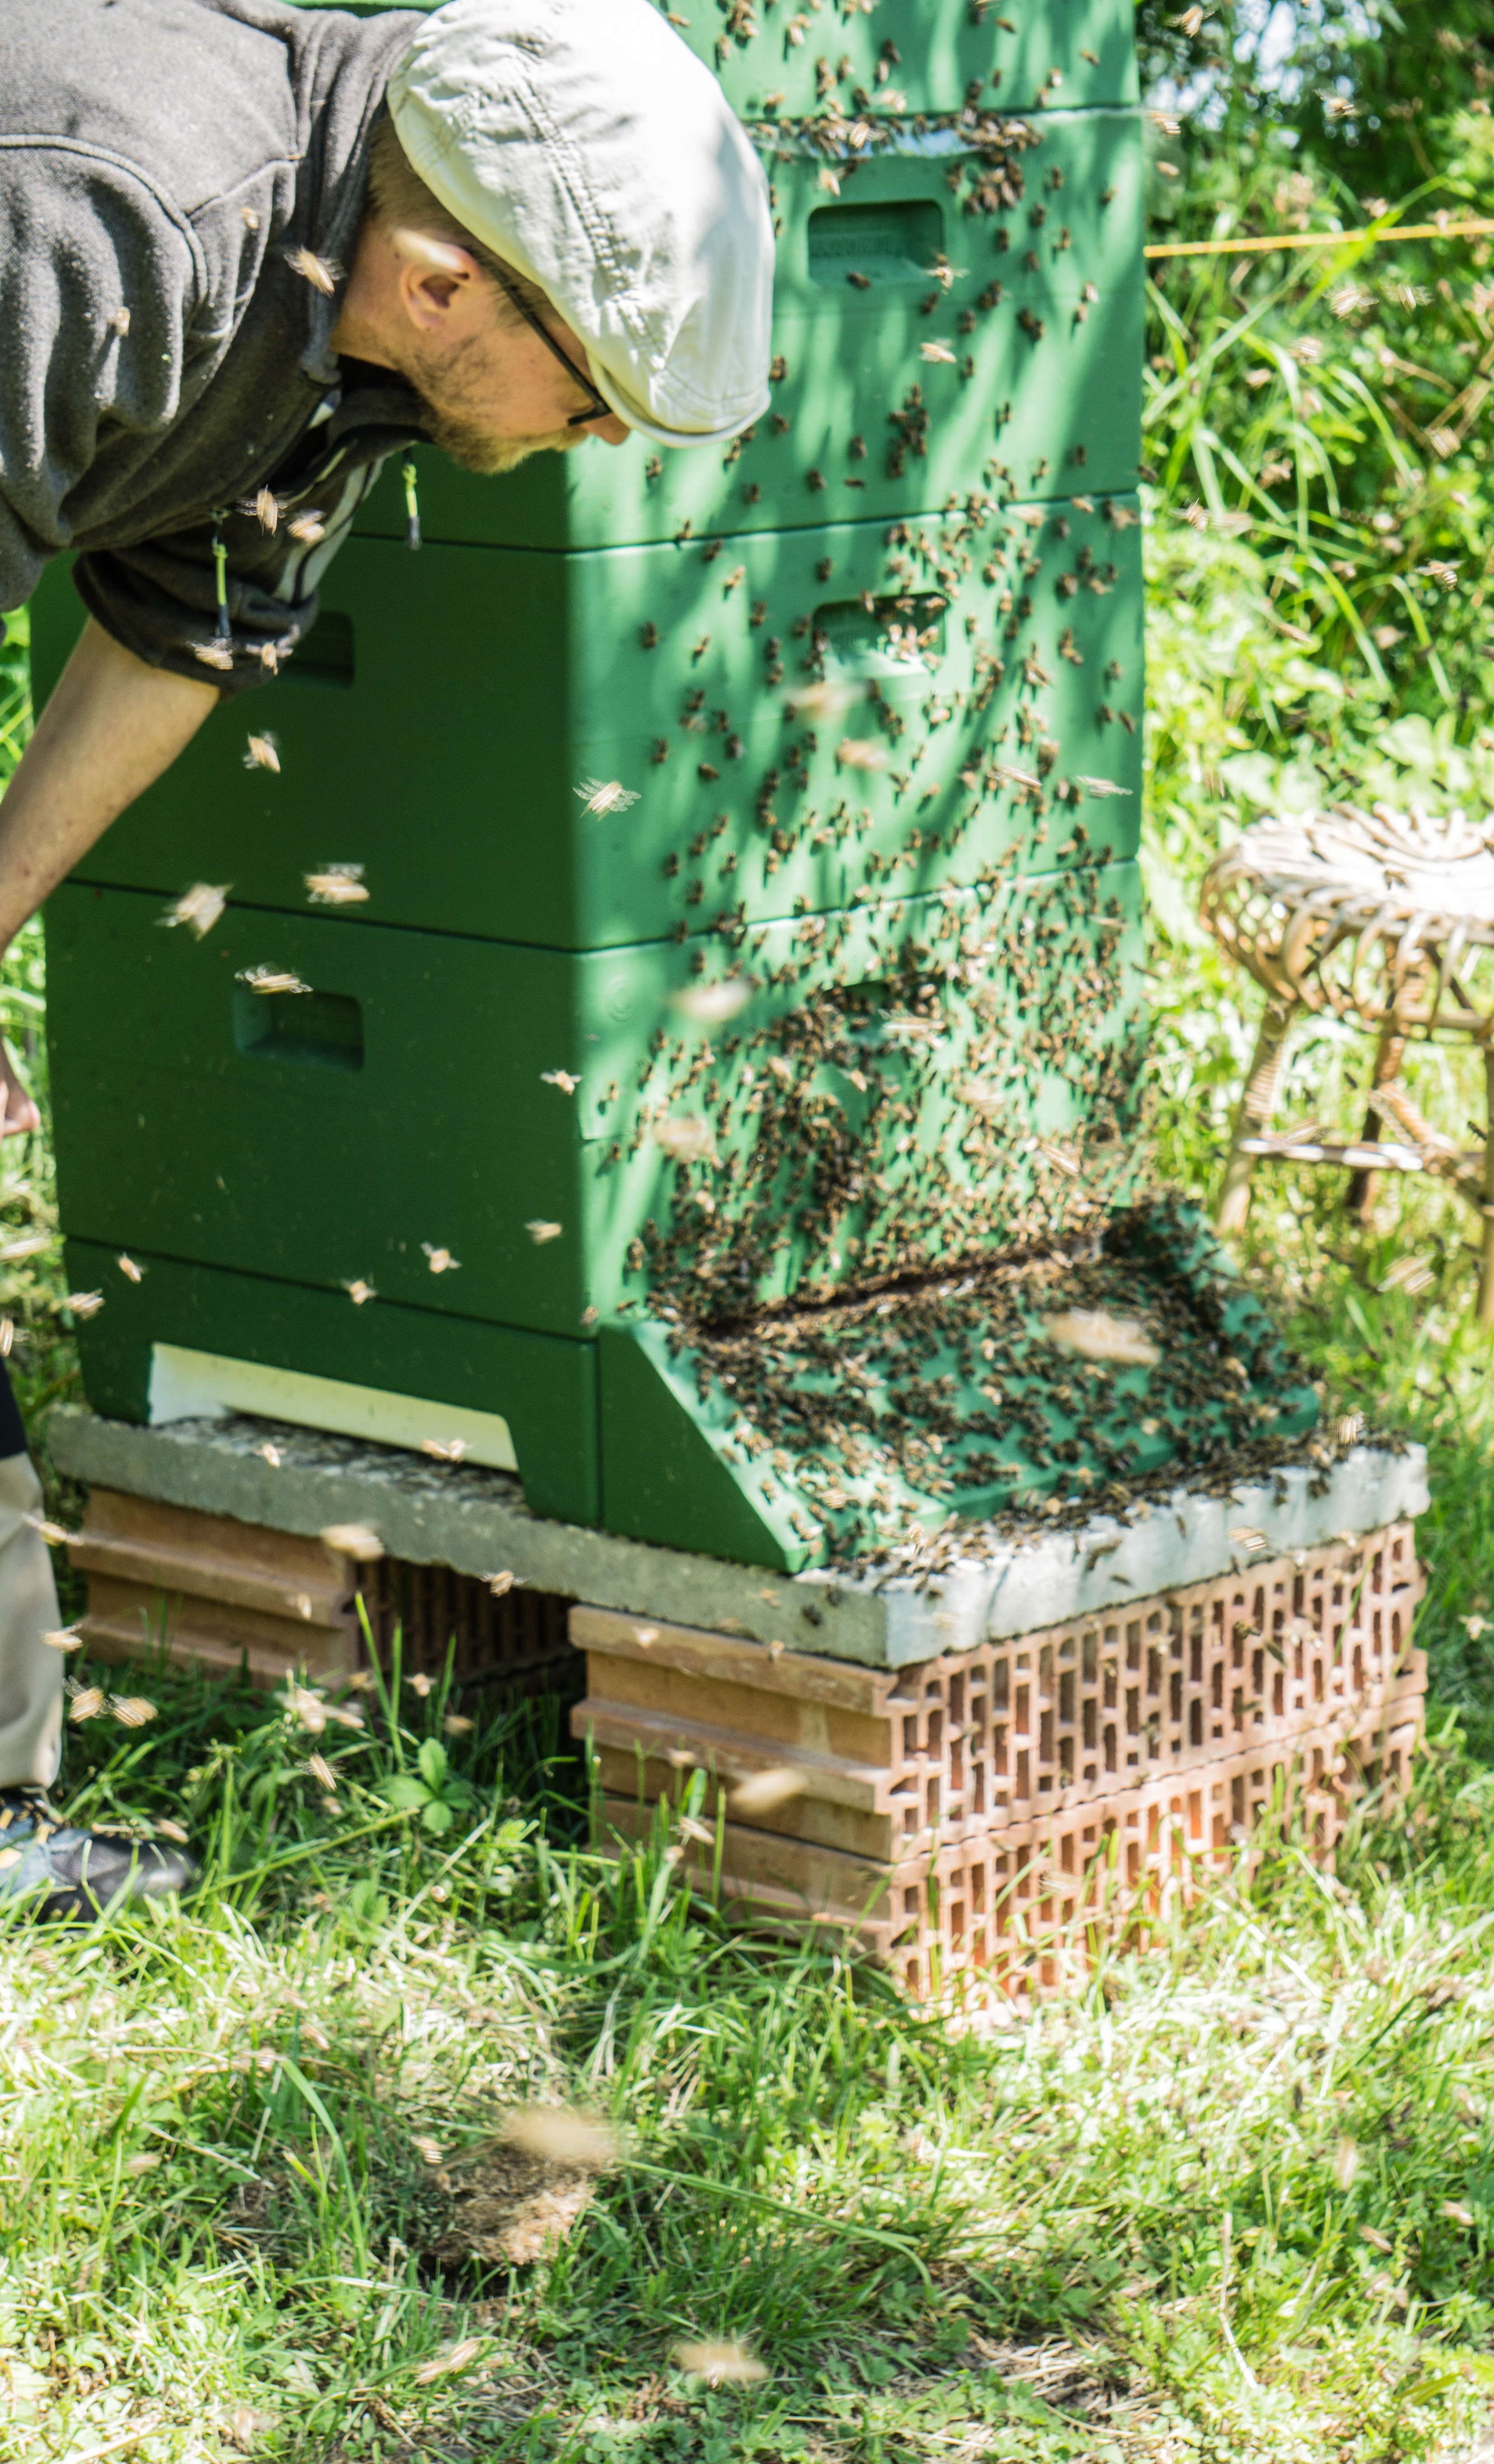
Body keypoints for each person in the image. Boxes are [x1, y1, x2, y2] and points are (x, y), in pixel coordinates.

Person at [0, 0, 775, 1913]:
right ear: (444, 283)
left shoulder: (341, 344)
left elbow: (179, 630)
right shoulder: (104, 222)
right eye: (589, 389)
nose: (596, 438)